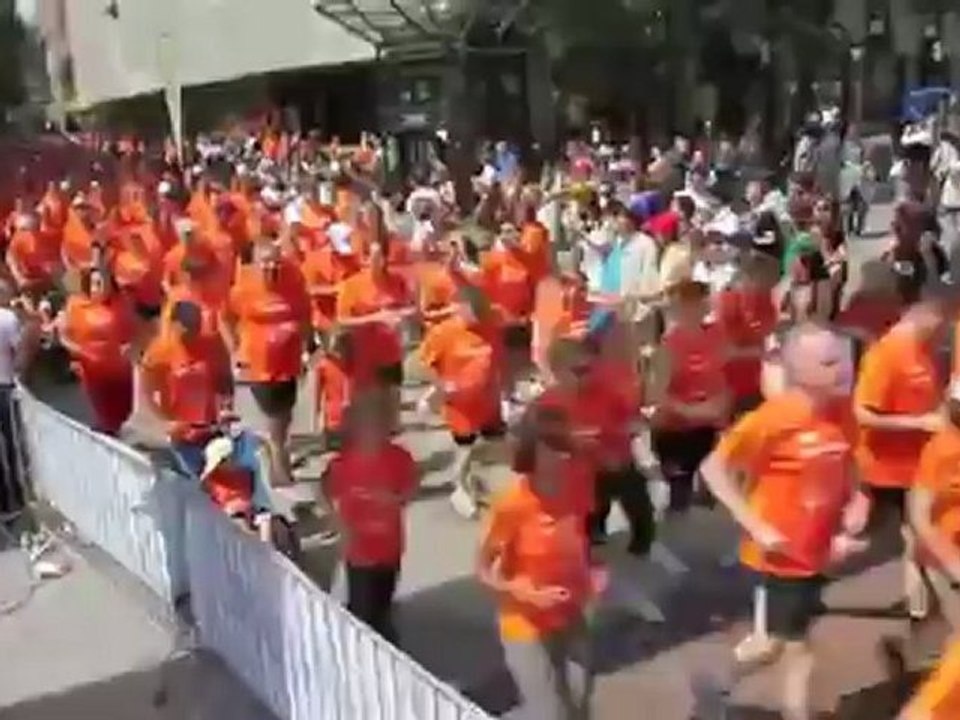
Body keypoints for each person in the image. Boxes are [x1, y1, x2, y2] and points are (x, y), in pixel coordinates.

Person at [696, 323, 868, 720]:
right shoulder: (772, 419)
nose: (842, 369)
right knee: (796, 647)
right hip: (778, 557)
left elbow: (849, 462)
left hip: (815, 552)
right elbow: (713, 469)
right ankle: (791, 712)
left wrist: (857, 503)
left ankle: (717, 687)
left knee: (773, 644)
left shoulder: (843, 412)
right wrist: (755, 526)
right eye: (828, 363)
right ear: (800, 370)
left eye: (842, 359)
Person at [478, 400, 596, 720]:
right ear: (533, 450)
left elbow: (581, 544)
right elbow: (482, 569)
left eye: (565, 446)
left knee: (581, 703)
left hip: (571, 614)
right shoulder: (511, 505)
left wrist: (593, 575)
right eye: (553, 447)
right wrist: (524, 592)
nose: (562, 455)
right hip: (525, 624)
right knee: (551, 714)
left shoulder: (579, 485)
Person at [855, 293, 950, 620]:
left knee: (915, 532)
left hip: (915, 465)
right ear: (926, 320)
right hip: (883, 466)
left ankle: (919, 606)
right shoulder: (885, 355)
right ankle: (805, 568)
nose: (944, 336)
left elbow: (928, 400)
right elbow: (862, 413)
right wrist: (919, 423)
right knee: (872, 536)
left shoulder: (923, 352)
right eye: (941, 328)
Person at [324, 390, 418, 642]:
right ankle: (366, 646)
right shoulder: (341, 464)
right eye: (365, 427)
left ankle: (380, 629)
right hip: (359, 552)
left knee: (383, 600)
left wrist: (396, 499)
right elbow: (325, 492)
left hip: (390, 547)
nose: (371, 433)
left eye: (377, 425)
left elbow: (411, 487)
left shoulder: (399, 458)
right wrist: (339, 525)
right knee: (364, 610)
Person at [226, 239, 311, 487]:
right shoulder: (243, 289)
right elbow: (226, 317)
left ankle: (273, 455)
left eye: (276, 263)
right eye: (266, 264)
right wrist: (236, 347)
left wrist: (307, 348)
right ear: (256, 265)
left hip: (290, 363)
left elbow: (304, 317)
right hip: (259, 366)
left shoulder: (293, 285)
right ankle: (280, 471)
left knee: (284, 418)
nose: (271, 268)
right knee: (275, 418)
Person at [418, 285, 504, 519]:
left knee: (490, 448)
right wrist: (441, 386)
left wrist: (500, 390)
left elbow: (495, 362)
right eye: (470, 314)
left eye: (478, 314)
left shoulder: (490, 328)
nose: (474, 320)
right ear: (458, 310)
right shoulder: (443, 333)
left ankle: (470, 481)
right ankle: (460, 487)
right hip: (460, 407)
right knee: (465, 449)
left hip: (487, 401)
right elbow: (424, 365)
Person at [651, 280, 729, 513]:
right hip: (675, 431)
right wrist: (690, 411)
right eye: (700, 301)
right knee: (680, 498)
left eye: (706, 301)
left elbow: (724, 378)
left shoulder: (717, 335)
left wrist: (720, 410)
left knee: (711, 498)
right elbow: (656, 394)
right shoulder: (668, 346)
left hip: (708, 428)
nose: (707, 305)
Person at [139, 300, 234, 478]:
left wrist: (227, 408)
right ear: (175, 325)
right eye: (190, 327)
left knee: (218, 479)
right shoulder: (160, 352)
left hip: (212, 427)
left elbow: (225, 379)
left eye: (198, 326)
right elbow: (146, 392)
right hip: (182, 433)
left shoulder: (212, 343)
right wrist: (163, 421)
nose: (195, 331)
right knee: (194, 481)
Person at [58, 266, 136, 435]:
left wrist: (131, 347)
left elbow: (134, 331)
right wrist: (79, 352)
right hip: (92, 371)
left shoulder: (122, 303)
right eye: (95, 284)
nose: (100, 287)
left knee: (123, 414)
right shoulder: (77, 306)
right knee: (105, 417)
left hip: (121, 370)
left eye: (103, 283)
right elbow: (64, 335)